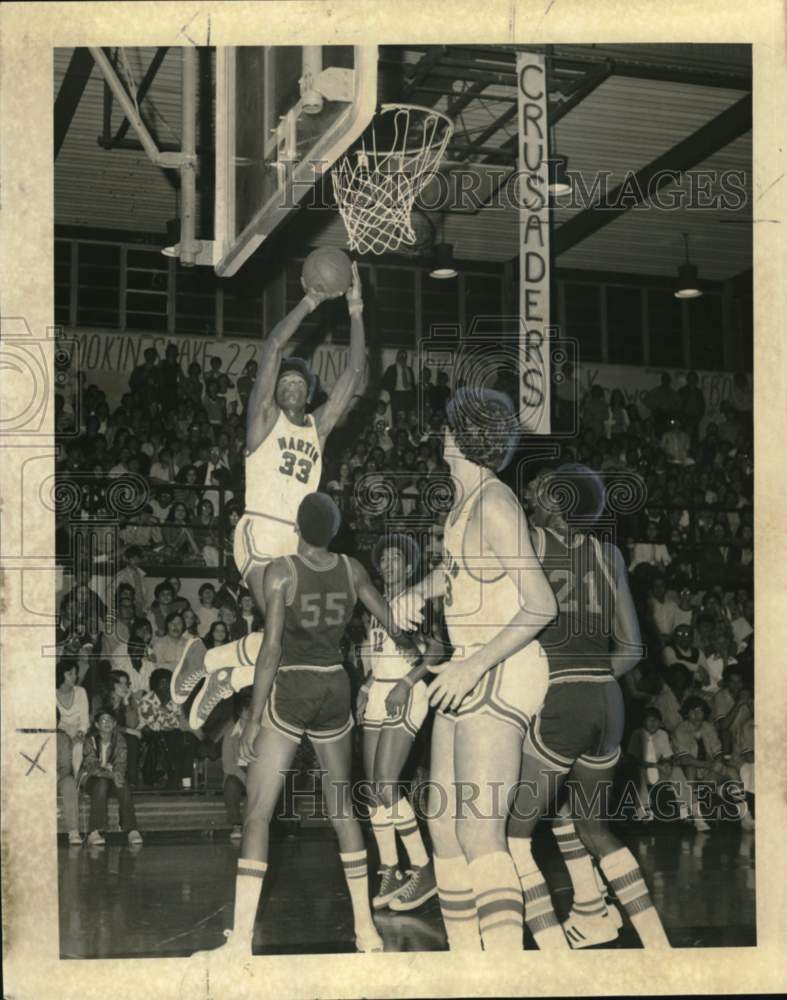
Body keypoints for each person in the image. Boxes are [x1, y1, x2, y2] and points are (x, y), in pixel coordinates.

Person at [190, 492, 417, 961]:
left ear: (296, 526)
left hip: (293, 687)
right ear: (334, 532)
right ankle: (367, 933)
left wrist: (252, 718)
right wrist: (424, 647)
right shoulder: (352, 569)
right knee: (343, 813)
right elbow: (394, 624)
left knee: (258, 814)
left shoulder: (281, 571)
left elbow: (271, 650)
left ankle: (240, 944)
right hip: (335, 687)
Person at [392, 389, 557, 953]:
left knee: (481, 831)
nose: (442, 430)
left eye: (450, 424)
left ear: (461, 437)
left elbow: (541, 604)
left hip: (500, 663)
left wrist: (474, 666)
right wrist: (420, 588)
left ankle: (502, 975)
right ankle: (465, 967)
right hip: (472, 664)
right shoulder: (467, 503)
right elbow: (461, 570)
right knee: (442, 824)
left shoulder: (495, 503)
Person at [171, 264, 366, 710]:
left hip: (297, 542)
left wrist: (356, 309)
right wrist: (312, 301)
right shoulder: (261, 422)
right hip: (259, 532)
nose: (293, 386)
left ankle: (223, 670)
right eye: (286, 382)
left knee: (299, 641)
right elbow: (274, 345)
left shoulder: (317, 429)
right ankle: (213, 661)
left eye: (300, 382)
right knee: (288, 634)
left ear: (309, 391)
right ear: (275, 391)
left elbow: (354, 373)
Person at [509, 463, 670, 950]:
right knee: (591, 825)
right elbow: (633, 650)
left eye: (541, 489)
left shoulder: (531, 543)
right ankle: (651, 945)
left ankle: (554, 952)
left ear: (557, 502)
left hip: (566, 697)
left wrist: (563, 682)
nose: (532, 494)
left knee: (512, 836)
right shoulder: (609, 555)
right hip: (610, 699)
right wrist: (592, 675)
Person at [356, 534, 439, 912]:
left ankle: (423, 866)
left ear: (407, 568)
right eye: (384, 558)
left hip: (407, 689)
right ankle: (391, 867)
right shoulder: (376, 603)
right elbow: (379, 653)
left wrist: (406, 683)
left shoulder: (414, 601)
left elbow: (438, 650)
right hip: (379, 690)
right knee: (374, 790)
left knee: (388, 785)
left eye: (394, 559)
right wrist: (367, 685)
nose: (387, 564)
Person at [79, 706, 143, 847]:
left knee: (123, 785)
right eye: (103, 720)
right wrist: (112, 774)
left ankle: (131, 829)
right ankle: (94, 831)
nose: (107, 723)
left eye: (110, 720)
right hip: (90, 780)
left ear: (114, 724)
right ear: (96, 724)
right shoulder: (90, 741)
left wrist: (118, 775)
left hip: (111, 779)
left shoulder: (119, 740)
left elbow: (121, 763)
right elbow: (92, 767)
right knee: (101, 783)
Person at [626, 707, 674, 823]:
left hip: (656, 771)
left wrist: (667, 764)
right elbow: (635, 760)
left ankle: (686, 809)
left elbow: (667, 756)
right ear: (643, 722)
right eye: (650, 720)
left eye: (656, 720)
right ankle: (643, 811)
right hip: (640, 770)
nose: (653, 723)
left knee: (676, 771)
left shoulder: (663, 734)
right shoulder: (637, 734)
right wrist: (656, 766)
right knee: (639, 772)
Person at [56, 659, 90, 776]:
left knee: (79, 746)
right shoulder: (50, 693)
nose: (74, 677)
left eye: (75, 673)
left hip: (77, 730)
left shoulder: (81, 692)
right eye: (70, 674)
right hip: (59, 732)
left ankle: (76, 782)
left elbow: (84, 720)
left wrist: (80, 733)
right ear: (61, 674)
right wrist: (64, 736)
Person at [56, 707, 83, 846]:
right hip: (38, 777)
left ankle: (73, 830)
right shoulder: (32, 736)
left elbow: (66, 766)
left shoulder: (63, 738)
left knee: (70, 783)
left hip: (59, 776)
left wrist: (56, 776)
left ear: (57, 721)